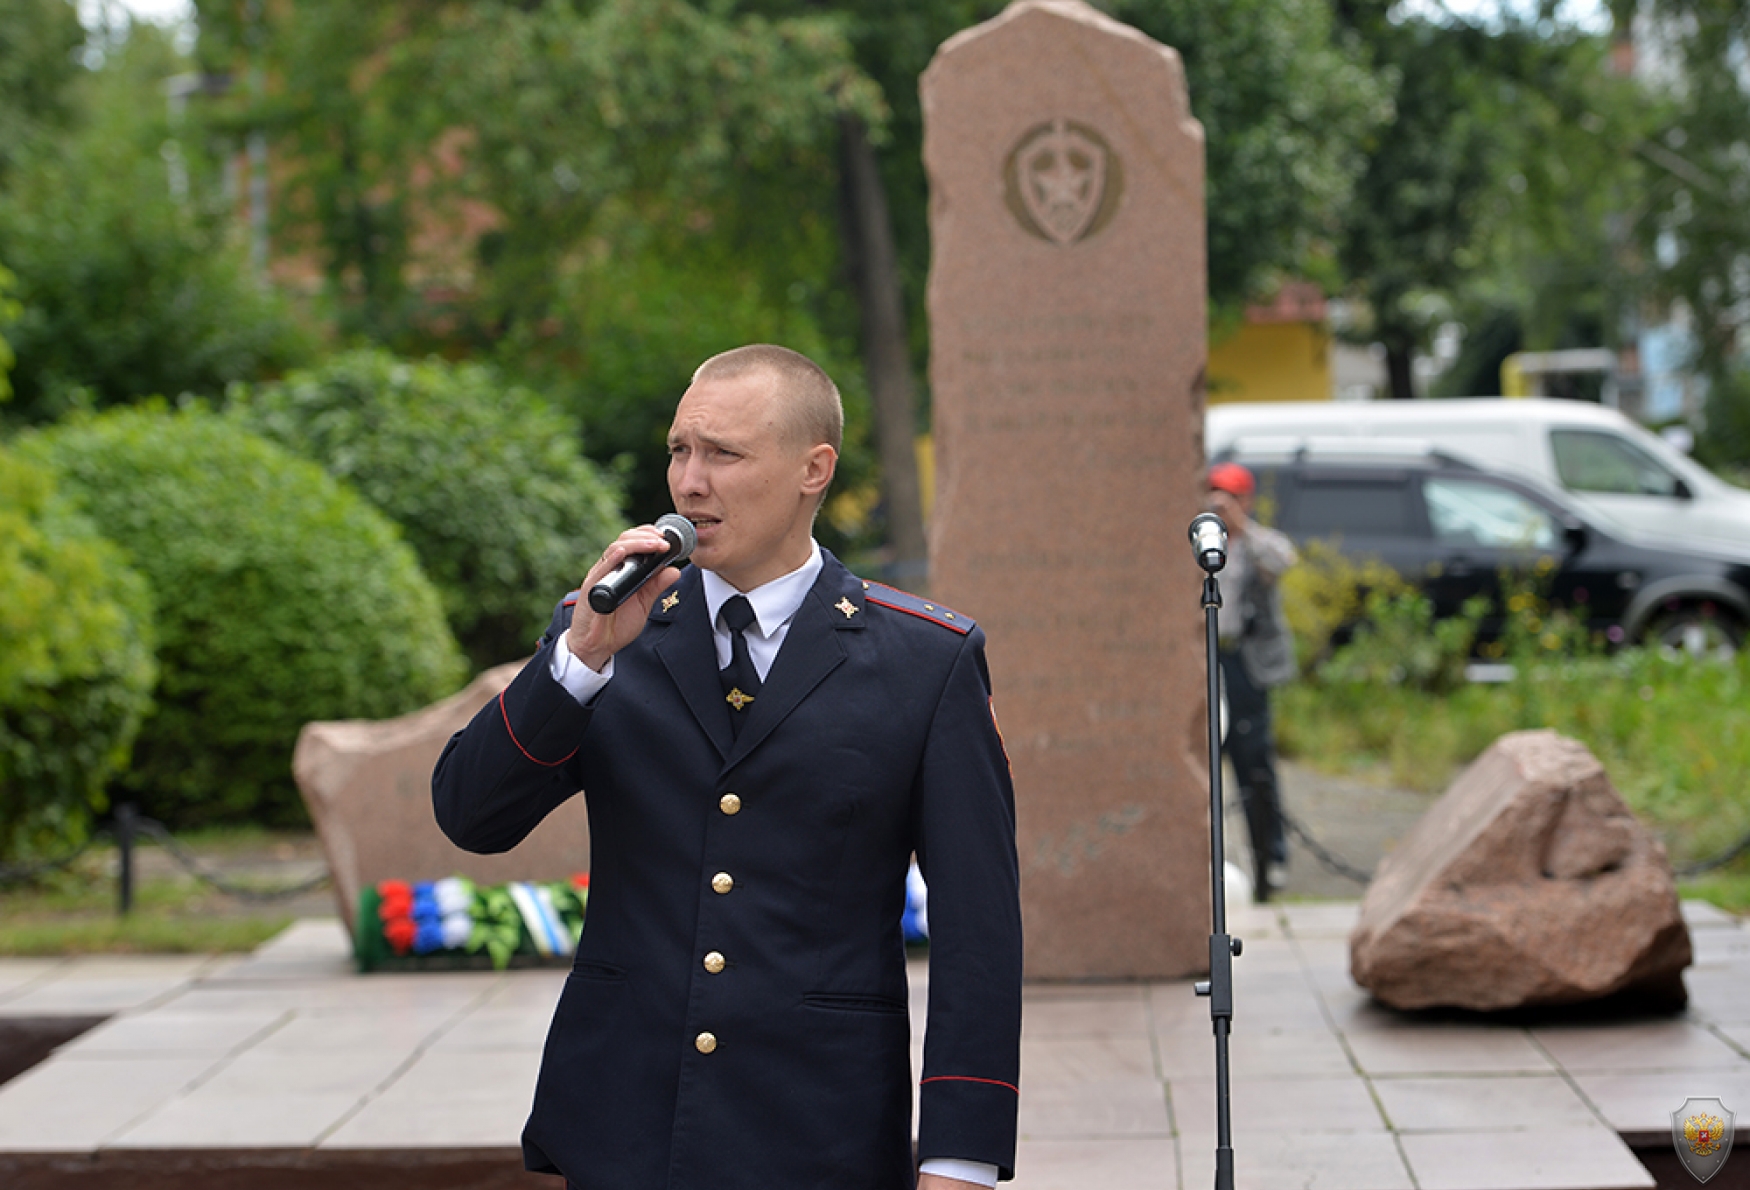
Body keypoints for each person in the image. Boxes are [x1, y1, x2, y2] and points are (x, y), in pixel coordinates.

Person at [433, 345, 1022, 1190]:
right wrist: (578, 662)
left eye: (724, 454)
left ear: (813, 470)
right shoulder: (606, 630)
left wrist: (959, 1158)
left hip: (822, 1128)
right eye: (679, 450)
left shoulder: (924, 659)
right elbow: (469, 815)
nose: (689, 482)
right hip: (620, 1126)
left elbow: (979, 930)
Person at [1206, 461, 1298, 902]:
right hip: (1205, 659)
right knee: (1206, 757)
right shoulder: (1200, 539)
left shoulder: (1257, 541)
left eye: (1230, 495)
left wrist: (1241, 526)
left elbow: (1283, 560)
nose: (1221, 503)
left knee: (1254, 759)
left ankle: (1271, 855)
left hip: (1246, 659)